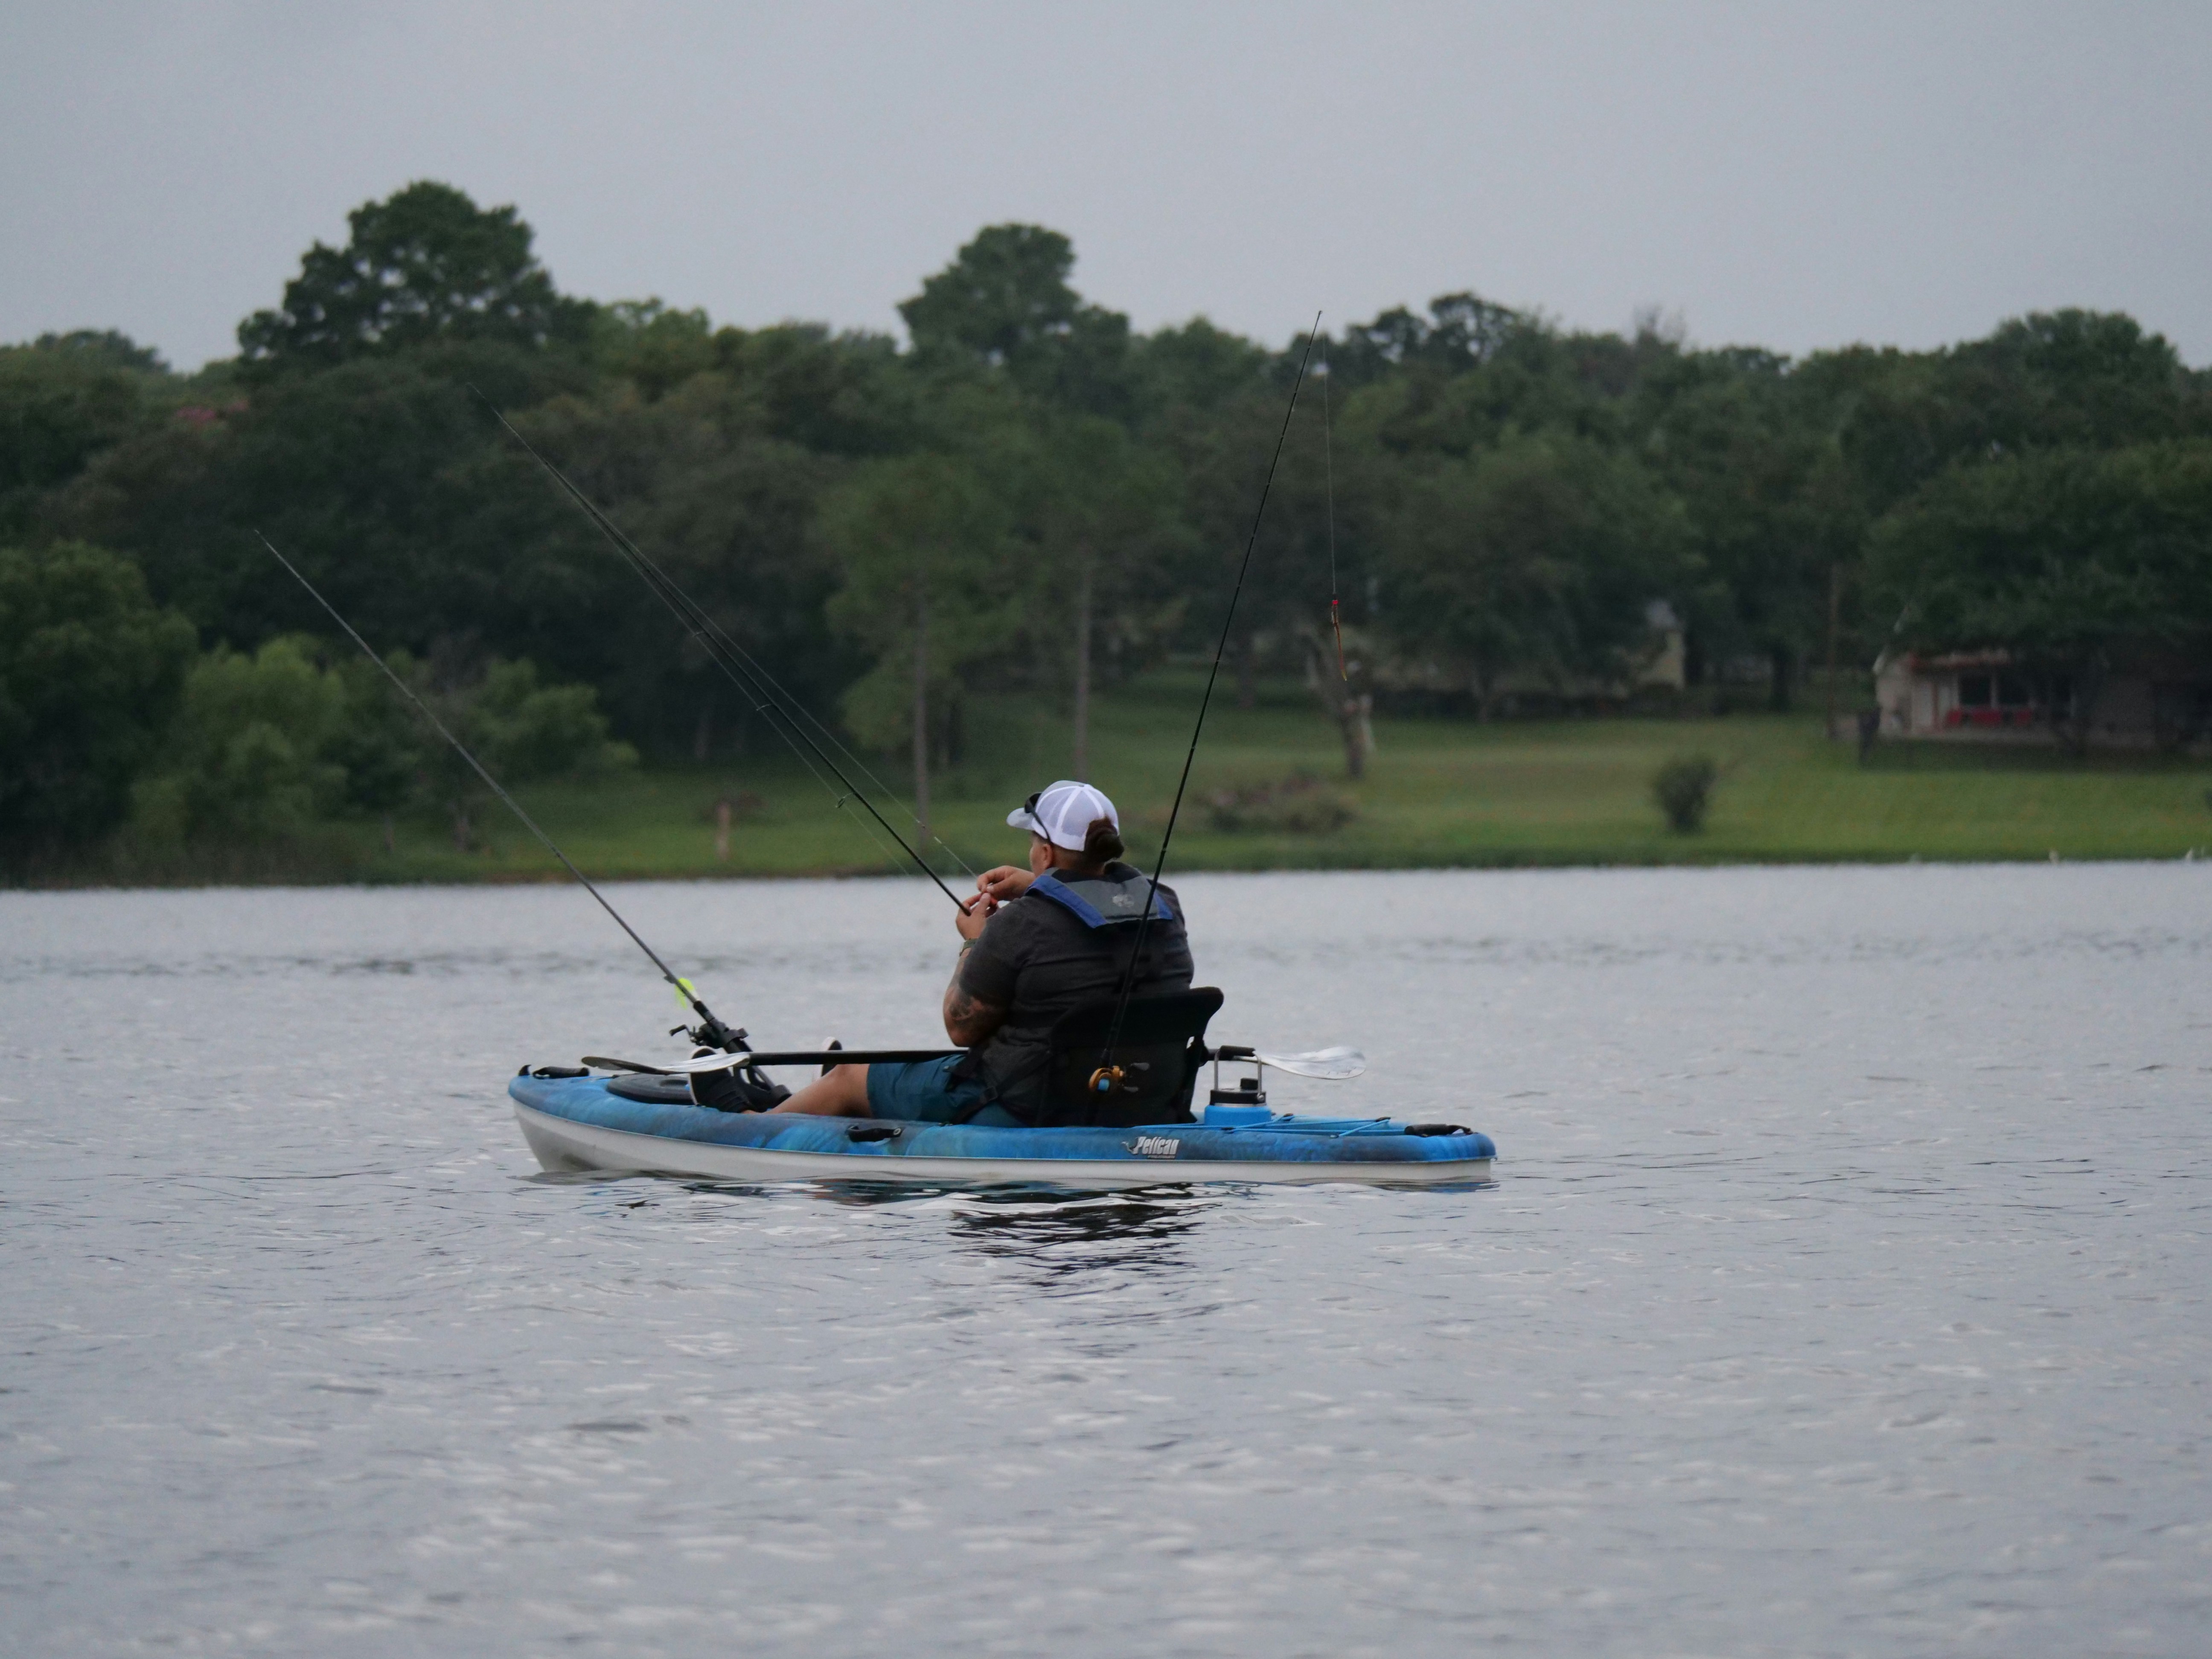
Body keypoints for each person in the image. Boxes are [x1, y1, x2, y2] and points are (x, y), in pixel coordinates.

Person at [774, 780, 1194, 1125]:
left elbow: (961, 1028)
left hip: (1022, 1102)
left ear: (1045, 851)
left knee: (848, 1075)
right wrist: (1037, 884)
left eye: (1033, 841)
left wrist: (974, 941)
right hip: (1137, 1097)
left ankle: (753, 1123)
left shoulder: (1021, 924)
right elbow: (1099, 913)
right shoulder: (1166, 908)